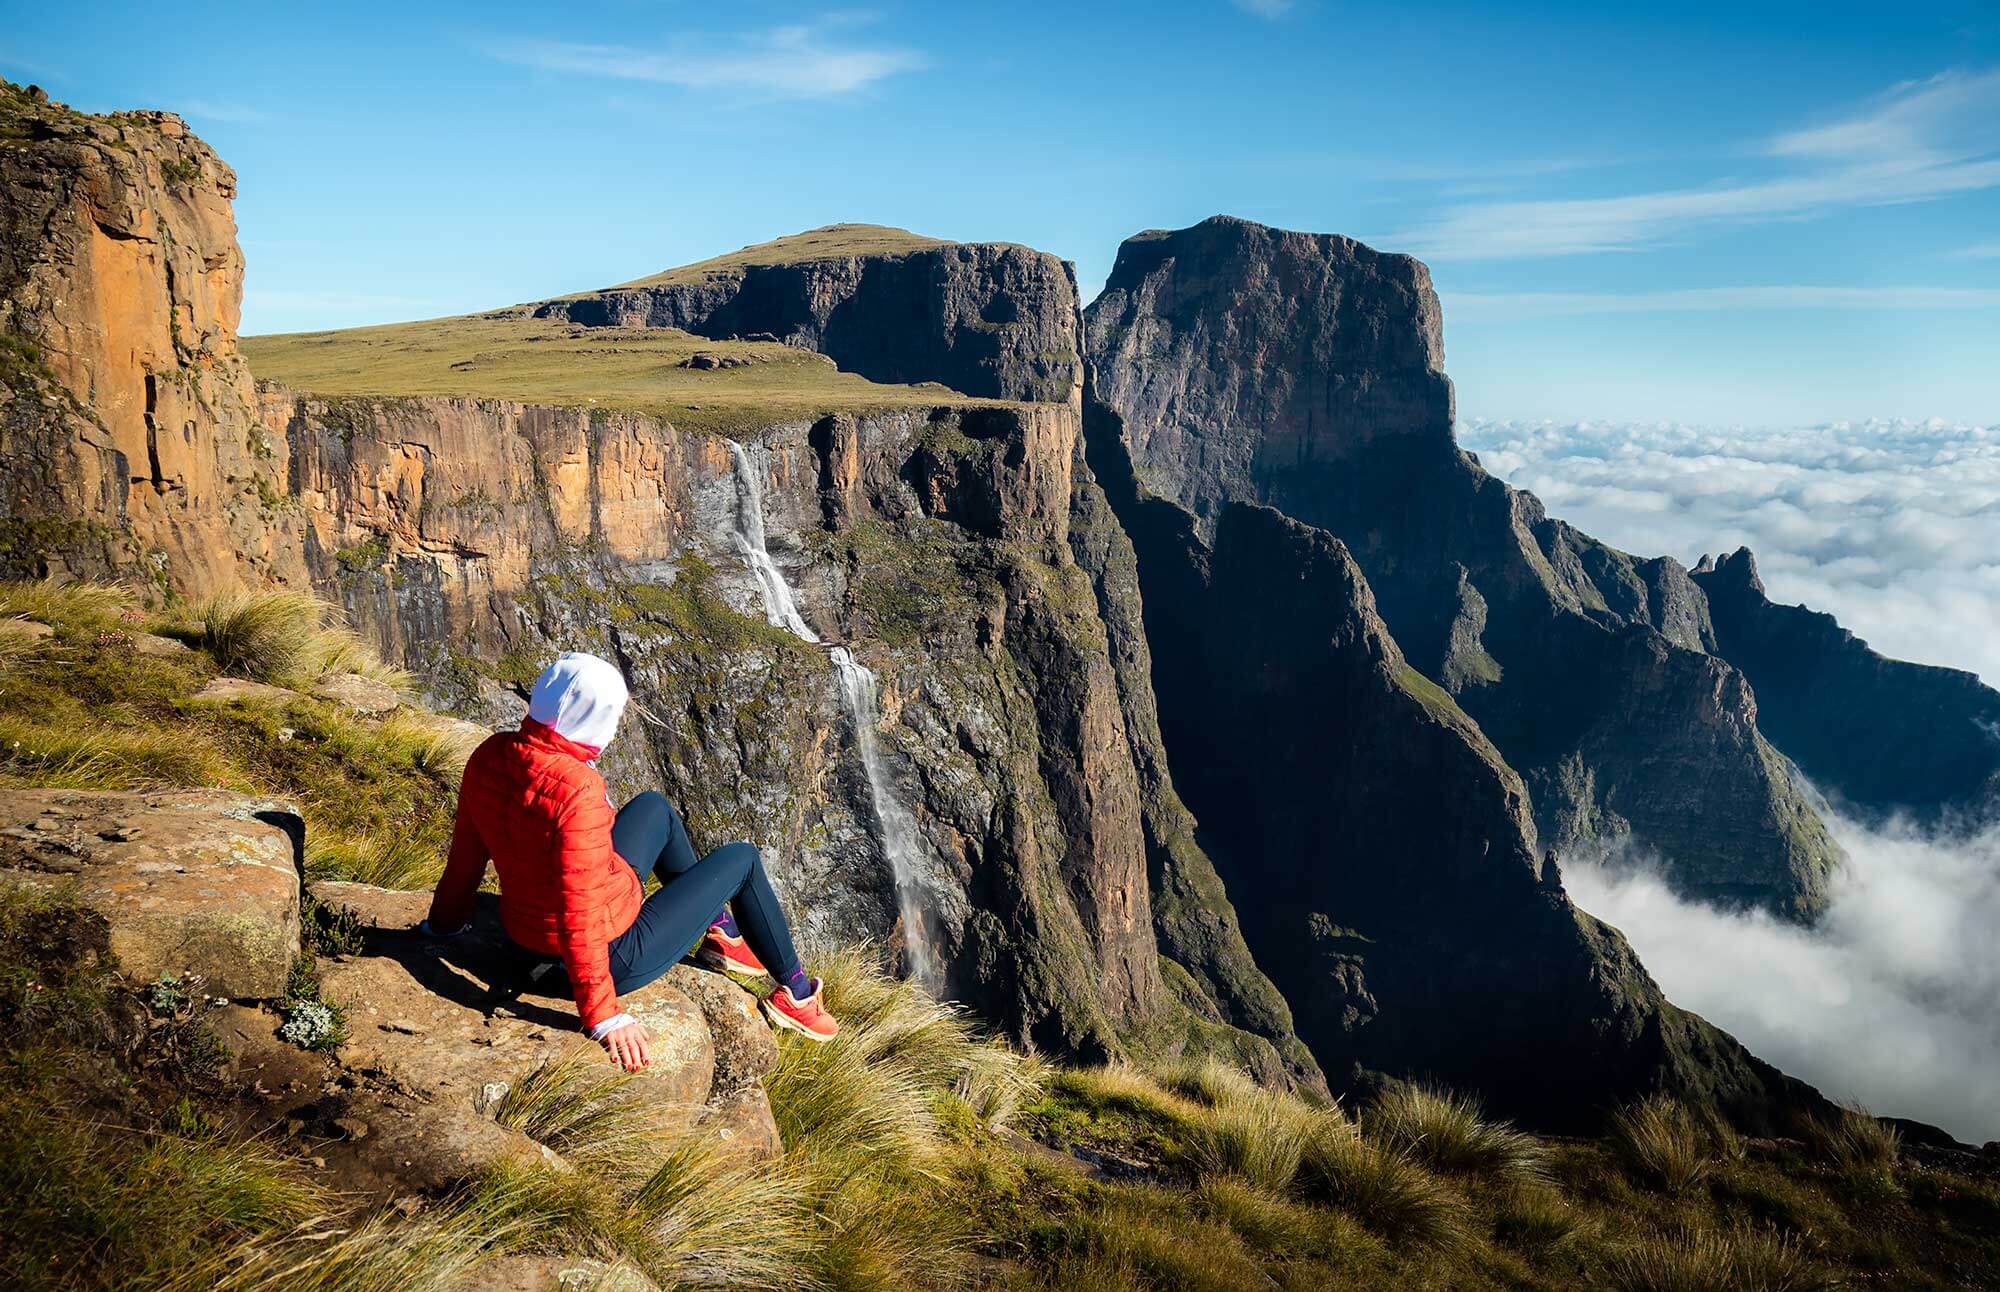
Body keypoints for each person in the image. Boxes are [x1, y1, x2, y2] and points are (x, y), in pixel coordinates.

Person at [423, 651, 837, 1070]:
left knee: (653, 807)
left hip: (524, 942)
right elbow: (580, 914)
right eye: (614, 715)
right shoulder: (577, 788)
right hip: (610, 953)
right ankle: (797, 994)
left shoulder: (491, 755)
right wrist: (603, 1015)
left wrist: (442, 925)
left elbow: (465, 859)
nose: (617, 725)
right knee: (743, 860)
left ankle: (721, 933)